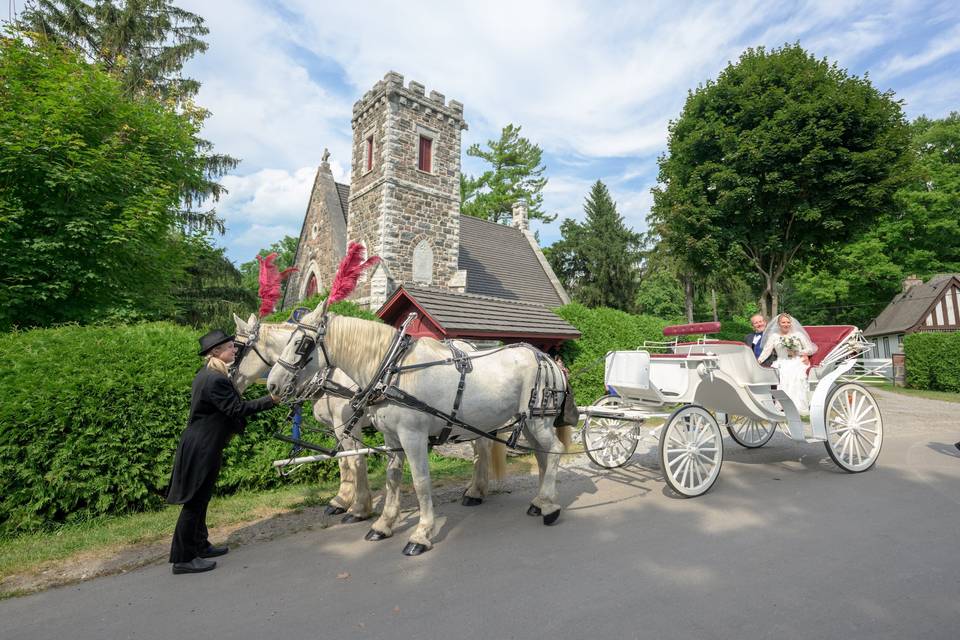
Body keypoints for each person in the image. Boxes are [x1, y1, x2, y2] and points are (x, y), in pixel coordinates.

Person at [166, 329, 280, 575]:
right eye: (230, 347)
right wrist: (271, 400)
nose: (234, 350)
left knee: (202, 498)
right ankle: (183, 559)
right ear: (216, 352)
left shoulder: (211, 374)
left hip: (205, 443)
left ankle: (200, 545)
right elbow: (237, 409)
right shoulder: (214, 379)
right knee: (194, 502)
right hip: (201, 446)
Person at [758, 314, 818, 414]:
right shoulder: (774, 336)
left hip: (797, 360)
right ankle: (782, 404)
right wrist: (758, 361)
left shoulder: (798, 335)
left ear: (791, 323)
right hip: (781, 361)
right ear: (779, 324)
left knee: (795, 373)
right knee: (783, 372)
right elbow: (766, 351)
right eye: (783, 322)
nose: (786, 324)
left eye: (788, 322)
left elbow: (810, 349)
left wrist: (798, 352)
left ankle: (797, 404)